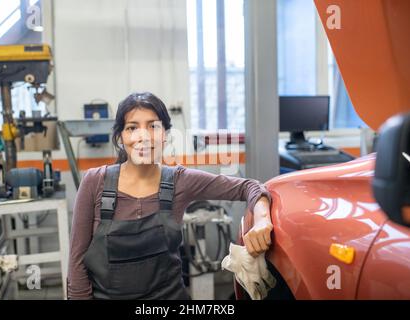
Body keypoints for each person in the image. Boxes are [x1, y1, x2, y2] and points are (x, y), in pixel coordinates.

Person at [67, 92, 273, 300]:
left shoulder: (178, 181)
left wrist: (262, 220)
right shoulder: (94, 182)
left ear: (165, 134)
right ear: (120, 137)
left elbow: (250, 187)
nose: (143, 136)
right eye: (132, 127)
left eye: (153, 126)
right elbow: (76, 264)